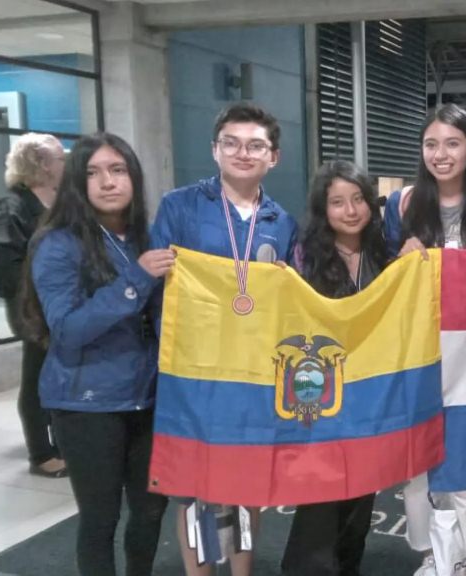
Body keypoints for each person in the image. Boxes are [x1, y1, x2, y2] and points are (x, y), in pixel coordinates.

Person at [150, 101, 298, 576]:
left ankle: (241, 571)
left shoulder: (281, 221)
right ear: (215, 150)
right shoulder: (180, 207)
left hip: (252, 372)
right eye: (231, 143)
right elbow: (158, 290)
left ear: (273, 156)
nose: (242, 153)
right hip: (194, 371)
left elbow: (290, 302)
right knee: (196, 488)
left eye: (255, 145)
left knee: (245, 481)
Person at [20, 132, 172, 576]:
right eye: (93, 172)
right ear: (77, 182)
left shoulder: (145, 237)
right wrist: (136, 281)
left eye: (118, 169)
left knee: (150, 511)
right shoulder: (58, 242)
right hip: (86, 405)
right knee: (100, 518)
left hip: (149, 399)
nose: (108, 182)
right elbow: (68, 330)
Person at [383, 103, 466, 576]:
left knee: (465, 457)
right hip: (417, 348)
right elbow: (383, 279)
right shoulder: (403, 203)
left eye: (452, 143)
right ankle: (432, 553)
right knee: (416, 459)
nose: (440, 154)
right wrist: (401, 255)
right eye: (431, 144)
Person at [280, 160, 385, 576]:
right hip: (321, 394)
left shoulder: (383, 252)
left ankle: (348, 565)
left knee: (362, 492)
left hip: (371, 393)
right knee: (322, 494)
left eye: (358, 199)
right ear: (323, 210)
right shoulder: (305, 255)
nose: (351, 210)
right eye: (338, 202)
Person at [0, 132, 66, 478]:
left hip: (56, 303)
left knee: (58, 375)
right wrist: (39, 294)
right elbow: (3, 266)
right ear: (42, 164)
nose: (66, 163)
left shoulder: (56, 205)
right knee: (37, 376)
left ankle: (62, 443)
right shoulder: (12, 209)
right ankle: (41, 454)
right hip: (31, 308)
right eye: (60, 158)